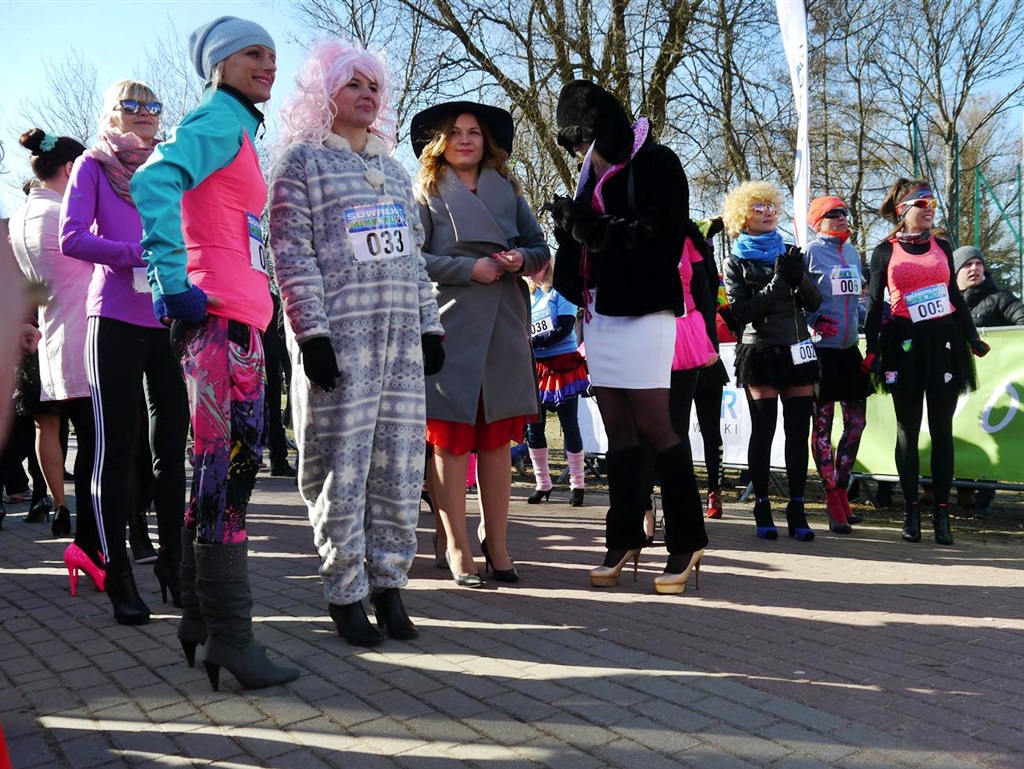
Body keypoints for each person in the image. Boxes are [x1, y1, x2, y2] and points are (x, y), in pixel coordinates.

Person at [131, 16, 298, 691]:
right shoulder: (219, 120)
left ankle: (202, 621)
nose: (268, 64)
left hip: (238, 323)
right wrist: (171, 281)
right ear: (219, 64)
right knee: (228, 478)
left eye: (273, 54)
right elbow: (153, 182)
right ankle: (232, 636)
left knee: (220, 475)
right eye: (253, 53)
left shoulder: (239, 129)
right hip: (219, 323)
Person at [270, 40, 444, 646]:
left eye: (374, 86)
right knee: (341, 468)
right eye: (353, 84)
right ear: (325, 94)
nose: (367, 95)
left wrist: (430, 323)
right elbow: (290, 254)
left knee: (399, 464)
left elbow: (413, 260)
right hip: (340, 343)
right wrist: (311, 332)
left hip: (399, 346)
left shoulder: (394, 172)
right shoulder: (301, 163)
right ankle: (344, 590)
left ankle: (389, 585)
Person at [549, 80, 708, 594]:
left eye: (584, 137)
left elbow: (660, 239)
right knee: (618, 431)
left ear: (607, 129)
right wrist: (569, 232)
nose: (580, 149)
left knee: (657, 427)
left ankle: (687, 539)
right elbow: (583, 254)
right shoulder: (589, 175)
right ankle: (622, 538)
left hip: (645, 312)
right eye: (572, 142)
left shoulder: (659, 162)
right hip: (600, 316)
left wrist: (588, 228)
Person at [60, 80, 191, 623]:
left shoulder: (168, 168)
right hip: (112, 318)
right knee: (115, 450)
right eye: (130, 105)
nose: (143, 113)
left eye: (151, 105)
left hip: (166, 319)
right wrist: (135, 253)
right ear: (112, 114)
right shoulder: (92, 166)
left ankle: (173, 564)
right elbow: (71, 237)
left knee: (172, 447)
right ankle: (117, 573)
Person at [412, 100, 549, 587]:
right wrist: (468, 268)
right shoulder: (426, 190)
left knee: (495, 440)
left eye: (473, 131)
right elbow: (413, 258)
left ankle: (498, 542)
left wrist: (520, 260)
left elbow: (540, 248)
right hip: (451, 322)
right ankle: (455, 543)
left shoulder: (508, 189)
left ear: (486, 141)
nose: (465, 139)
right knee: (450, 439)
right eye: (454, 132)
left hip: (506, 322)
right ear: (440, 143)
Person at [863, 178, 989, 546]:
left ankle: (942, 515)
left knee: (942, 430)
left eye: (932, 202)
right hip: (904, 343)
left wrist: (972, 338)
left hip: (943, 343)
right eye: (922, 203)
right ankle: (911, 511)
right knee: (907, 429)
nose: (930, 209)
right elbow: (874, 305)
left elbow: (955, 297)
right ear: (903, 210)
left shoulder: (943, 246)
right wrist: (872, 350)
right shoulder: (883, 252)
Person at [8, 130, 105, 594]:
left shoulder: (20, 217)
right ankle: (92, 543)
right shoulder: (61, 214)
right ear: (70, 169)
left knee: (76, 441)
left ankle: (84, 534)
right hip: (86, 338)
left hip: (53, 339)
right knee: (97, 449)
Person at [722, 181, 822, 541]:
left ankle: (797, 508)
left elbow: (814, 303)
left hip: (797, 348)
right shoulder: (734, 261)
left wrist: (799, 278)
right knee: (763, 431)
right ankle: (762, 505)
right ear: (742, 216)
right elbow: (741, 312)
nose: (767, 212)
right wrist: (780, 282)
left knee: (798, 433)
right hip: (760, 351)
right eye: (758, 207)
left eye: (771, 206)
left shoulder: (791, 252)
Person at [803, 196, 872, 534]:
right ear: (818, 221)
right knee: (823, 429)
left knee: (857, 423)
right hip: (822, 352)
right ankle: (831, 497)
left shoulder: (854, 253)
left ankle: (843, 488)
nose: (843, 217)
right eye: (834, 213)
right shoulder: (810, 252)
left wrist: (865, 319)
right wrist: (814, 320)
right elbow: (797, 298)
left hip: (849, 349)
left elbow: (856, 298)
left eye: (844, 212)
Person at [953, 245, 1024, 516]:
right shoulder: (946, 301)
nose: (974, 268)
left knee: (989, 436)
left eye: (979, 264)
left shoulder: (1000, 298)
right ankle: (956, 493)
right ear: (955, 272)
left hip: (993, 386)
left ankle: (984, 499)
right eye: (967, 265)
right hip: (957, 382)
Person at [524, 260, 589, 506]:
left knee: (569, 425)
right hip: (536, 366)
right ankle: (542, 483)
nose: (529, 274)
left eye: (533, 268)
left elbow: (564, 328)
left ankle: (577, 484)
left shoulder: (561, 292)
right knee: (534, 427)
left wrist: (531, 341)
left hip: (562, 364)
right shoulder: (529, 296)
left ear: (546, 266)